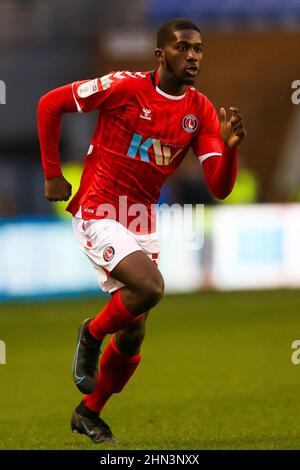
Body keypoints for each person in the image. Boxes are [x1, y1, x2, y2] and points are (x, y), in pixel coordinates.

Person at [37, 18, 246, 444]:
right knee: (151, 287)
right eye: (183, 48)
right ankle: (91, 333)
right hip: (98, 207)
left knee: (133, 333)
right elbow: (48, 104)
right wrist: (53, 174)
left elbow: (219, 187)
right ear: (160, 55)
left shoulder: (200, 111)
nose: (192, 56)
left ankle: (88, 412)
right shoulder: (125, 87)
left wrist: (229, 150)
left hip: (140, 220)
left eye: (198, 50)